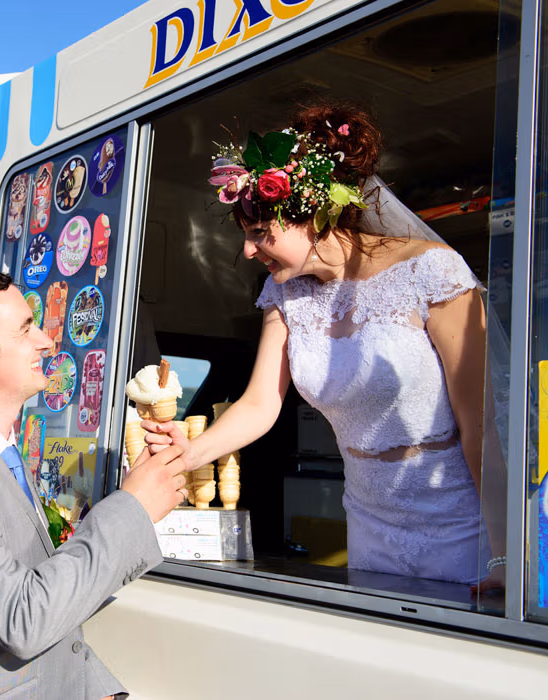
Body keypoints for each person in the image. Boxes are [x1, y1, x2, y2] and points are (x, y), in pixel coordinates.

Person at [144, 103, 503, 589]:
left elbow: (479, 424)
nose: (249, 250)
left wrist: (505, 558)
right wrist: (191, 454)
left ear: (314, 216)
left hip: (460, 525)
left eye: (259, 232)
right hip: (370, 525)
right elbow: (260, 404)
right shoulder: (284, 294)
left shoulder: (431, 272)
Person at [0, 270, 190, 699]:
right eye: (25, 330)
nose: (45, 340)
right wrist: (133, 505)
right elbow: (21, 619)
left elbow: (48, 605)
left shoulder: (0, 453)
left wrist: (100, 690)